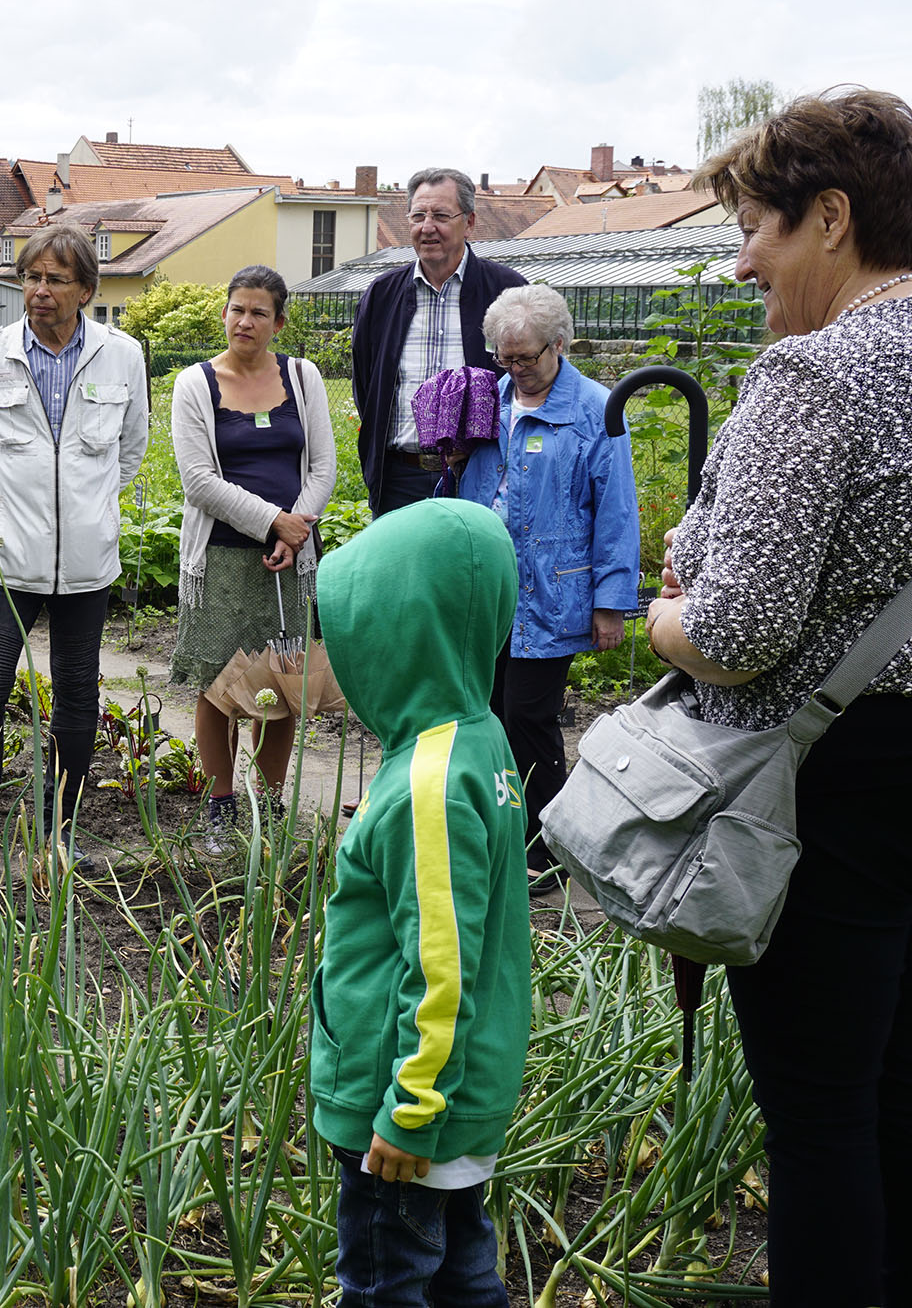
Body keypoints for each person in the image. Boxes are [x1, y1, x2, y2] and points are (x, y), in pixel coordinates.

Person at [647, 87, 912, 1305]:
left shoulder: (814, 374)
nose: (742, 256)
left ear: (831, 217)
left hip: (822, 796)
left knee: (818, 1117)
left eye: (755, 225)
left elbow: (737, 629)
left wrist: (661, 615)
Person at [309, 498, 529, 1307]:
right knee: (463, 1271)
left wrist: (408, 1110)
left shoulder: (426, 786)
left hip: (402, 1107)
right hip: (454, 1100)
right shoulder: (477, 737)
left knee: (384, 1283)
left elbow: (444, 967)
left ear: (402, 633)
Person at [0, 224, 149, 883]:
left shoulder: (123, 356)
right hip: (5, 562)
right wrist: (9, 516)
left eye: (55, 279)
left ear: (85, 289)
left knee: (77, 697)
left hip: (87, 562)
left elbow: (131, 448)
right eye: (32, 277)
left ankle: (61, 832)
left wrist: (85, 512)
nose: (39, 290)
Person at [456, 284, 638, 893]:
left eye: (526, 358)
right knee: (485, 710)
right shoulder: (489, 401)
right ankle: (500, 828)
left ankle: (545, 845)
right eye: (504, 358)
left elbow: (616, 511)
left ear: (558, 344)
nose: (515, 370)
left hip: (553, 592)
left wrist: (612, 602)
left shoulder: (596, 409)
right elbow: (471, 489)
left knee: (528, 715)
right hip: (490, 587)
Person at [170, 266, 337, 855]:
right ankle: (219, 807)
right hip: (219, 558)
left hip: (290, 561)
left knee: (283, 684)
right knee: (219, 685)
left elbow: (322, 470)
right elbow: (197, 481)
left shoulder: (303, 375)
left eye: (259, 312)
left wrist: (295, 533)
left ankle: (267, 803)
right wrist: (273, 521)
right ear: (225, 315)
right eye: (237, 309)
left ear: (278, 322)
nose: (246, 321)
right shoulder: (195, 384)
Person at [352, 168, 526, 516]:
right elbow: (366, 384)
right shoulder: (383, 295)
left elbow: (527, 384)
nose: (427, 227)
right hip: (399, 478)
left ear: (470, 221)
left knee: (475, 570)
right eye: (418, 216)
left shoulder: (506, 292)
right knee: (401, 571)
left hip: (483, 476)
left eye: (441, 216)